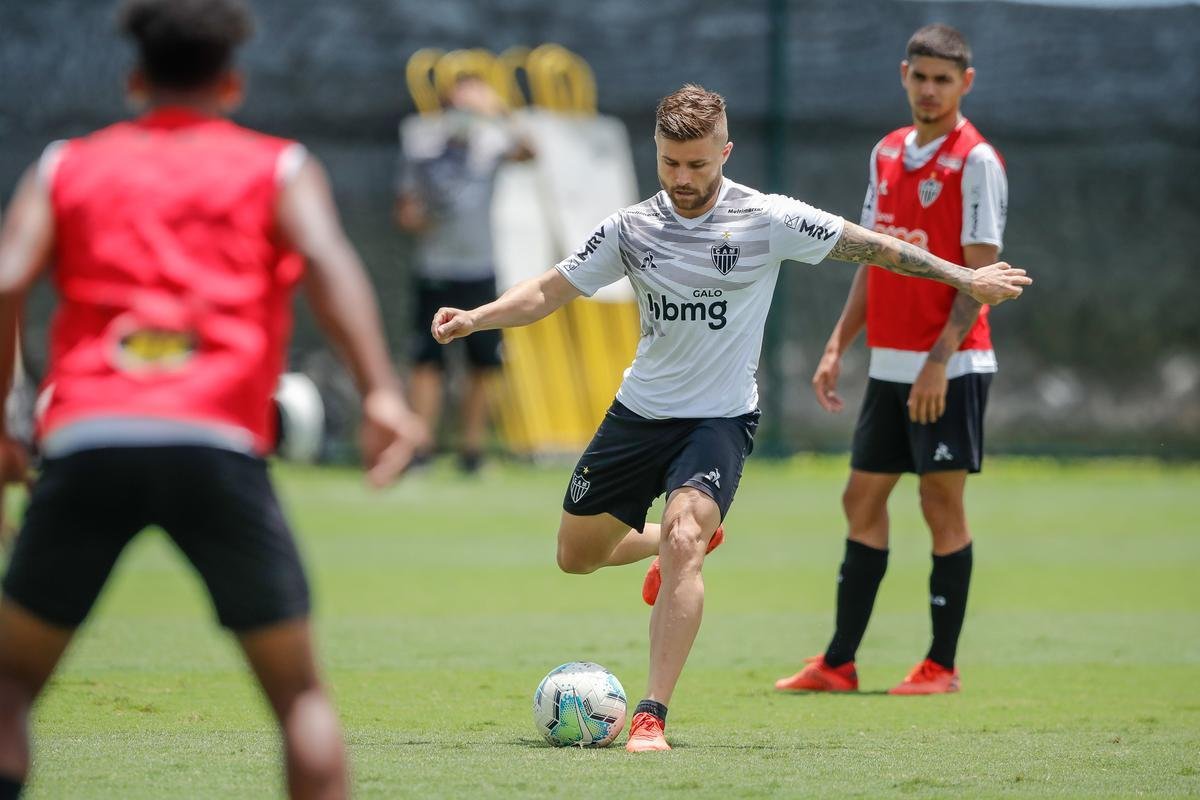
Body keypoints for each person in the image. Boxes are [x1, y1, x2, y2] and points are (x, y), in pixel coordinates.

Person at [430, 84, 1029, 751]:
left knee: (688, 537)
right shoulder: (631, 228)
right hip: (639, 412)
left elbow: (873, 245)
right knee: (577, 557)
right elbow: (550, 288)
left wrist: (964, 279)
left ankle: (652, 714)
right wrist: (477, 317)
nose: (683, 179)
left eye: (697, 164)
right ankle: (666, 540)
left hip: (718, 420)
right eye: (670, 164)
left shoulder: (766, 218)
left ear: (725, 151)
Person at [0, 1, 425, 798]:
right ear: (231, 83)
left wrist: (3, 420)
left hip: (88, 436)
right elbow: (330, 264)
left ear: (134, 82)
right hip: (216, 442)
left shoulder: (65, 165)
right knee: (298, 695)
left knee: (9, 687)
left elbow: (6, 279)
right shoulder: (279, 166)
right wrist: (381, 395)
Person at [774, 24, 1009, 697]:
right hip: (890, 365)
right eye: (921, 77)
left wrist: (940, 359)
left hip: (952, 367)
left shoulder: (976, 162)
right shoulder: (885, 153)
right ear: (904, 74)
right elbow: (874, 259)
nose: (930, 90)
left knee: (940, 504)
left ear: (965, 83)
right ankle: (839, 664)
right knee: (861, 496)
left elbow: (979, 277)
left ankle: (942, 665)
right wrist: (835, 344)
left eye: (944, 80)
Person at [394, 75, 533, 472]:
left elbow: (530, 152)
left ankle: (472, 452)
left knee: (483, 364)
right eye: (460, 107)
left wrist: (500, 112)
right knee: (427, 361)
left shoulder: (491, 146)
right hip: (435, 270)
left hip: (480, 270)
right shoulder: (422, 147)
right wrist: (415, 217)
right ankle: (420, 449)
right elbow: (404, 207)